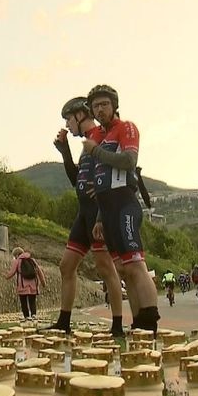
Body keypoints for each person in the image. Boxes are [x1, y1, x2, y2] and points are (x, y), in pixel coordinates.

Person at [45, 96, 127, 336]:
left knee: (105, 267)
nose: (67, 125)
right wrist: (65, 152)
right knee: (66, 266)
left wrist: (104, 194)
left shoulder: (100, 137)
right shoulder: (87, 143)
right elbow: (76, 181)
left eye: (69, 119)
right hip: (83, 212)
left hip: (97, 212)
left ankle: (118, 325)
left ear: (81, 115)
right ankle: (64, 322)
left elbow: (116, 167)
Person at [83, 84, 160, 334]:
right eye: (96, 106)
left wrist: (96, 151)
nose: (100, 109)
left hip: (125, 203)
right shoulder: (99, 136)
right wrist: (98, 218)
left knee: (136, 264)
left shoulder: (125, 127)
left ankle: (150, 323)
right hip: (106, 209)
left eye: (105, 104)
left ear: (114, 105)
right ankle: (138, 325)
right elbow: (100, 183)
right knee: (123, 269)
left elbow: (129, 161)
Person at [4, 246, 47, 321]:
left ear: (16, 255)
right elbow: (39, 271)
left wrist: (6, 276)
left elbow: (12, 272)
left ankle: (26, 317)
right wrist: (43, 282)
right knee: (32, 301)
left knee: (23, 301)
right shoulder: (32, 260)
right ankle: (33, 315)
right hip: (33, 285)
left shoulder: (17, 261)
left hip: (22, 285)